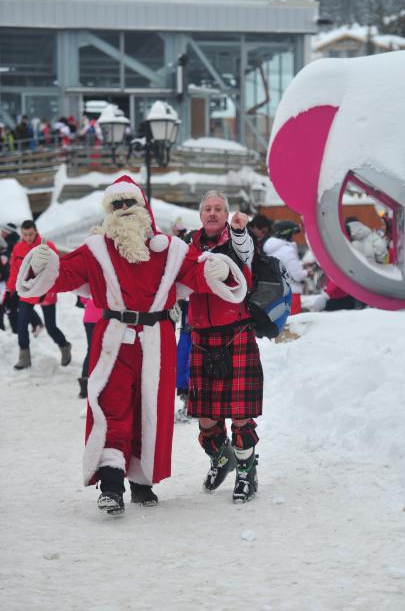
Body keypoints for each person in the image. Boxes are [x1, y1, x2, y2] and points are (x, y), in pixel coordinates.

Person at [16, 176, 245, 515]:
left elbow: (197, 277)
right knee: (112, 406)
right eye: (116, 205)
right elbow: (63, 275)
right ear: (108, 213)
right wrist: (42, 265)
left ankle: (141, 480)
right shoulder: (95, 250)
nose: (124, 210)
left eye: (129, 204)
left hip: (157, 340)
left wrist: (216, 270)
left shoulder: (170, 250)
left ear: (143, 209)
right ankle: (111, 484)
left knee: (150, 409)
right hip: (114, 340)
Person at [186, 190, 263, 503]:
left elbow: (245, 252)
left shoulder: (236, 240)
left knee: (240, 415)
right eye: (208, 209)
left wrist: (240, 229)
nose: (213, 213)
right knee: (205, 417)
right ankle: (222, 458)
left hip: (236, 332)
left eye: (219, 209)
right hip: (202, 337)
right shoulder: (188, 244)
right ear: (201, 214)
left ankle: (246, 472)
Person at [6, 220, 71, 370]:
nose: (28, 237)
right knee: (21, 325)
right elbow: (15, 271)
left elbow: (56, 268)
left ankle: (64, 346)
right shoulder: (18, 248)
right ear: (21, 233)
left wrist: (53, 287)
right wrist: (10, 290)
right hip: (27, 291)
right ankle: (24, 357)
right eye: (25, 234)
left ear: (36, 231)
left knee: (50, 327)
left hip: (46, 291)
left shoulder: (46, 246)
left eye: (30, 234)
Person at [263, 220, 310, 315]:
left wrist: (300, 265)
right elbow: (297, 275)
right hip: (291, 293)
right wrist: (308, 272)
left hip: (275, 293)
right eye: (293, 234)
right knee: (293, 325)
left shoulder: (272, 248)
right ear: (288, 234)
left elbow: (284, 267)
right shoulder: (288, 250)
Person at [77, 297, 103, 399]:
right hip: (103, 318)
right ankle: (101, 382)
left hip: (89, 319)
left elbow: (82, 300)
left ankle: (84, 384)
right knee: (103, 350)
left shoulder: (91, 283)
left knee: (91, 349)